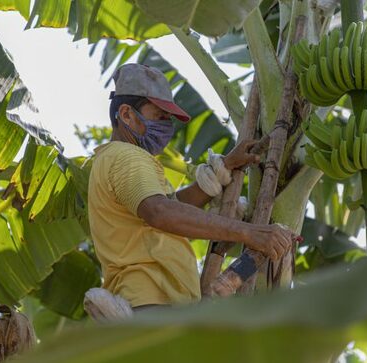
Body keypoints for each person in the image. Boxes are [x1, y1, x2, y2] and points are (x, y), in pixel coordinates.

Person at [87, 63, 295, 311]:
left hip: (156, 302)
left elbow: (172, 207)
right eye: (159, 116)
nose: (166, 127)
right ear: (127, 114)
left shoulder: (114, 158)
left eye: (167, 119)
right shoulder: (126, 156)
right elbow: (161, 213)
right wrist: (249, 232)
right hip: (152, 301)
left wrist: (224, 167)